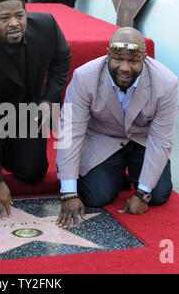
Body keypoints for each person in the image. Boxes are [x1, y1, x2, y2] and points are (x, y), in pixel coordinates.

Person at [0, 0, 71, 218]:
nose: (14, 23)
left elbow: (62, 61)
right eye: (5, 18)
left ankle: (14, 152)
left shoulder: (47, 26)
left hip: (28, 113)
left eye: (19, 15)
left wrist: (47, 99)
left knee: (33, 173)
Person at [56, 27, 178, 229]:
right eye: (118, 59)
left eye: (133, 61)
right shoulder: (83, 77)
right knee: (96, 196)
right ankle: (117, 174)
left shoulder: (167, 83)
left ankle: (131, 177)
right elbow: (70, 130)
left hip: (143, 140)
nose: (125, 67)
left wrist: (141, 194)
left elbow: (162, 139)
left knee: (157, 195)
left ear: (144, 59)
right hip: (103, 138)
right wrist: (68, 192)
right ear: (107, 56)